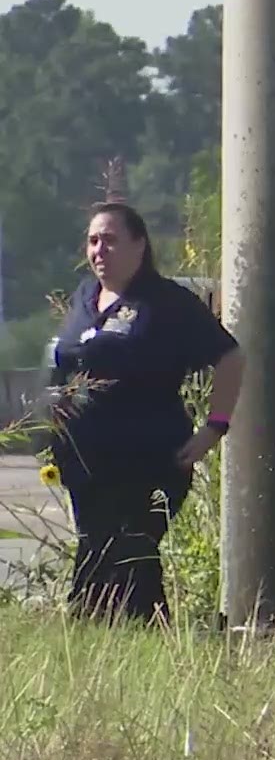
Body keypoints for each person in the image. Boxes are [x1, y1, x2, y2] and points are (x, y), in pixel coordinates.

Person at [44, 202, 245, 625]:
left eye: (111, 239)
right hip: (87, 463)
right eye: (94, 240)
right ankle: (129, 643)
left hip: (148, 460)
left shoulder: (166, 303)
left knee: (127, 549)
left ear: (140, 245)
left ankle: (110, 634)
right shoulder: (85, 297)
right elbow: (67, 365)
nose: (100, 249)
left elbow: (230, 357)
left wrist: (216, 426)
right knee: (104, 552)